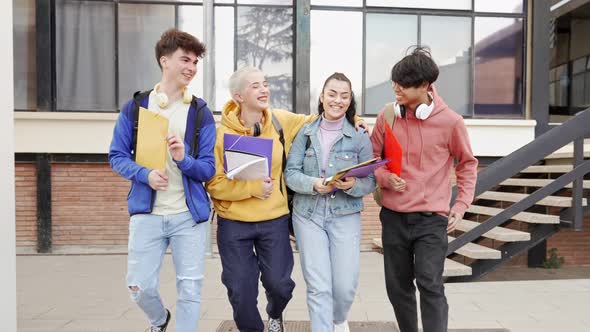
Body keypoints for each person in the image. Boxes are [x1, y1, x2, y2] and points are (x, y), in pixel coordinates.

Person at [205, 67, 366, 332]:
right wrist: (252, 188)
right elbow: (214, 184)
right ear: (238, 96)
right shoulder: (220, 134)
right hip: (234, 224)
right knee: (241, 291)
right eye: (255, 86)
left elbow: (323, 116)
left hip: (274, 221)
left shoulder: (280, 120)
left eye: (265, 84)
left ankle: (275, 313)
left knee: (281, 286)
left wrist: (355, 116)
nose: (264, 90)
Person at [109, 28, 216, 332]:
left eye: (195, 62)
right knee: (138, 287)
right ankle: (160, 320)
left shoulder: (200, 112)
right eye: (185, 60)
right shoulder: (137, 107)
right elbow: (117, 155)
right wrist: (143, 174)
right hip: (148, 214)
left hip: (189, 216)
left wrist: (184, 159)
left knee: (191, 290)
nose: (191, 68)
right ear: (164, 60)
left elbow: (208, 169)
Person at [369, 47, 478, 332]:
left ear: (425, 86)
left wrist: (461, 204)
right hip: (393, 217)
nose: (396, 89)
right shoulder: (387, 116)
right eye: (395, 82)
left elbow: (467, 164)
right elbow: (371, 160)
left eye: (403, 85)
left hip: (432, 219)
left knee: (429, 282)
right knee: (398, 287)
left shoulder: (451, 122)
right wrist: (384, 177)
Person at [284, 73, 375, 332]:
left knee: (345, 285)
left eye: (344, 96)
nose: (337, 100)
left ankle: (338, 318)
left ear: (350, 101)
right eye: (332, 94)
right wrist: (313, 184)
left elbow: (371, 180)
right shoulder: (305, 132)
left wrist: (353, 185)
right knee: (318, 286)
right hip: (308, 215)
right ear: (322, 97)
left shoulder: (359, 136)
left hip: (345, 214)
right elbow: (290, 173)